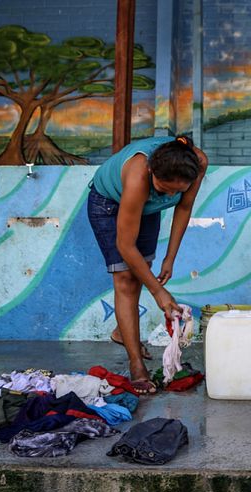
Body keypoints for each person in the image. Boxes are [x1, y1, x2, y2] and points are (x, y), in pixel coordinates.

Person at [88, 135, 208, 395]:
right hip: (108, 204)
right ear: (152, 171)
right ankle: (136, 365)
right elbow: (125, 246)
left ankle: (123, 331)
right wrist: (158, 292)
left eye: (178, 191)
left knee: (141, 269)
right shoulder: (138, 174)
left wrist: (170, 258)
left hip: (148, 209)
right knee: (126, 278)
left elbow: (184, 209)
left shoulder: (197, 163)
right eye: (165, 190)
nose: (172, 196)